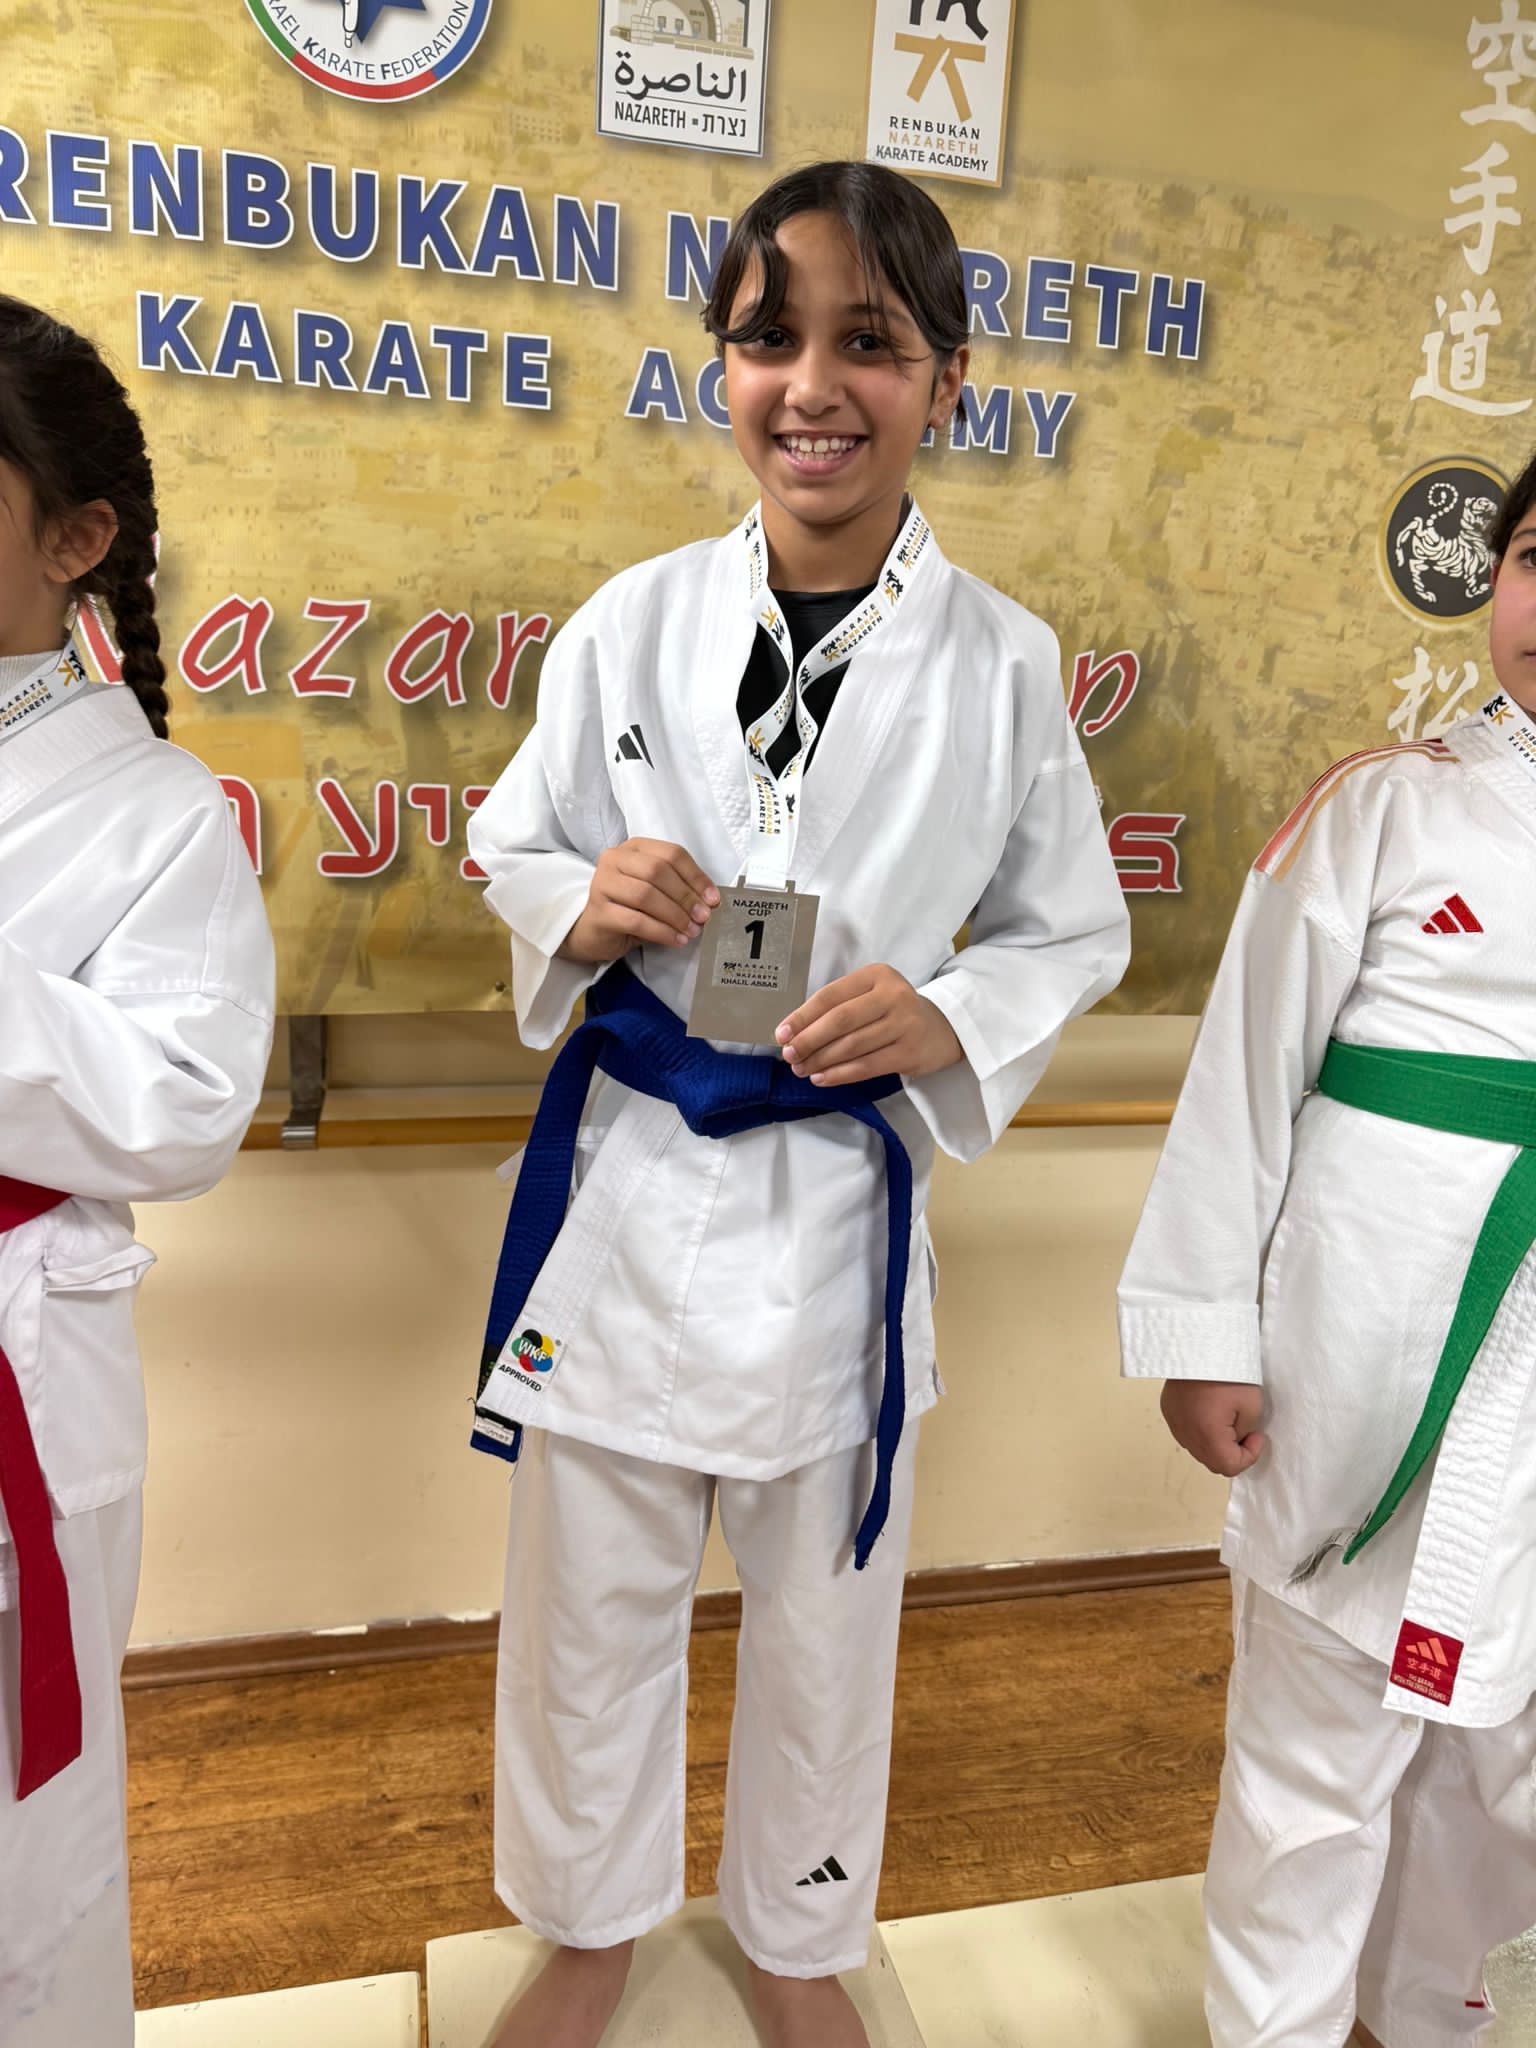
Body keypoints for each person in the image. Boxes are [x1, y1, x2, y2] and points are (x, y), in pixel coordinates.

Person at [467, 160, 1129, 2048]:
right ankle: (585, 1926)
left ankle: (799, 1929)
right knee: (586, 1601)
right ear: (722, 368)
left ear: (948, 381)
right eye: (769, 339)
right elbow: (512, 841)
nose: (813, 386)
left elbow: (1071, 929)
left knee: (829, 1620)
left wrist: (947, 1012)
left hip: (834, 1207)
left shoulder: (1004, 663)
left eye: (871, 343)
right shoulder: (631, 622)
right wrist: (582, 898)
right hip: (630, 1190)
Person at [1118, 457, 1536, 2046]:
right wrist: (1201, 1330)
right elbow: (1246, 1073)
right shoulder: (1383, 806)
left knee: (1500, 1777)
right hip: (1363, 1358)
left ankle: (1422, 2014)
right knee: (1313, 1760)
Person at [0, 296, 275, 2048]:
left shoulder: (156, 811)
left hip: (20, 1374)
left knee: (22, 1867)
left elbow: (185, 1101)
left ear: (74, 539)